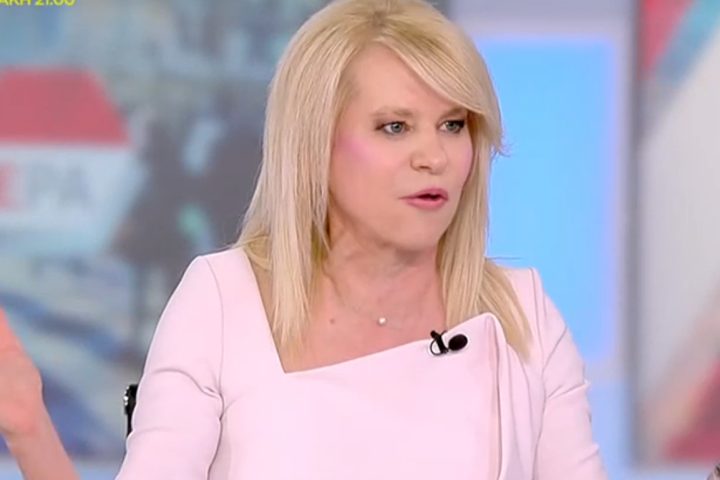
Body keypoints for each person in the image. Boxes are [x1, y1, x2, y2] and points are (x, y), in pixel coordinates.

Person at [0, 0, 609, 478]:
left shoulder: (524, 316)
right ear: (316, 144)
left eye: (453, 125)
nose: (435, 156)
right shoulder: (223, 301)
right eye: (394, 127)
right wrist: (31, 430)